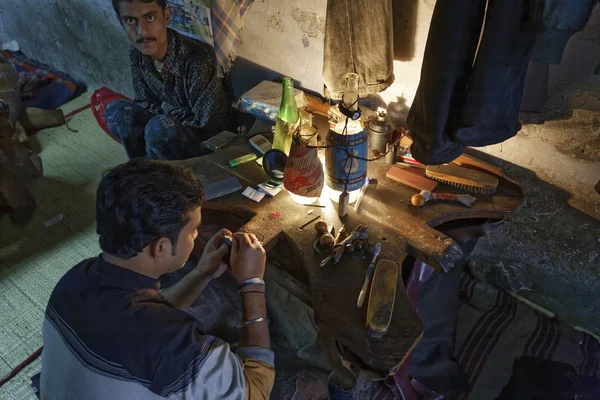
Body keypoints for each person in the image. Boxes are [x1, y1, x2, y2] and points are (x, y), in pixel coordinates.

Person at [40, 159, 274, 399]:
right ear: (161, 248)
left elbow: (144, 313)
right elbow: (256, 392)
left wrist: (202, 272)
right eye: (193, 231)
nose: (196, 237)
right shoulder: (170, 343)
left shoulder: (75, 278)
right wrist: (252, 284)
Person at [105, 0, 230, 160]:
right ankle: (143, 167)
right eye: (130, 20)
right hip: (163, 131)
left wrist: (165, 119)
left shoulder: (198, 59)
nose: (142, 31)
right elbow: (145, 102)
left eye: (150, 17)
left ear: (166, 16)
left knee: (158, 128)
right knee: (116, 112)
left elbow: (209, 127)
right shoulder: (138, 52)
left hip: (204, 143)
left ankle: (164, 175)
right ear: (120, 22)